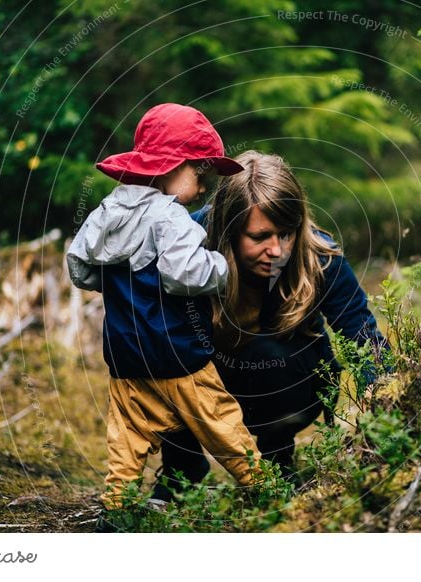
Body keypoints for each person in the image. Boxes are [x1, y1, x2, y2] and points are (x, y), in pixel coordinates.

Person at [66, 104, 262, 524]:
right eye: (200, 174)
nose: (205, 187)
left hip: (125, 354)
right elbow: (182, 272)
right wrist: (223, 269)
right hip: (178, 352)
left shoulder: (108, 210)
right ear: (171, 166)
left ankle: (116, 509)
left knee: (128, 435)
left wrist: (116, 281)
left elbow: (79, 265)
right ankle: (265, 489)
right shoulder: (170, 216)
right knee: (220, 422)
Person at [154, 150, 388, 499]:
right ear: (230, 230)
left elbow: (362, 333)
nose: (277, 250)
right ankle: (181, 467)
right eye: (260, 237)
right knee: (161, 345)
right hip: (208, 378)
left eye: (286, 234)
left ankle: (278, 457)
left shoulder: (320, 255)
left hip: (292, 377)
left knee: (269, 352)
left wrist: (391, 409)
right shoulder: (187, 244)